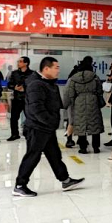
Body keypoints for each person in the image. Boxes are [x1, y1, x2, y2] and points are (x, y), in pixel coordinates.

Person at [13, 57, 84, 197]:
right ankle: (20, 185)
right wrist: (50, 121)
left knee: (54, 155)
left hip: (47, 128)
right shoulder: (36, 84)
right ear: (46, 69)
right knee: (33, 156)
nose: (58, 70)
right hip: (37, 127)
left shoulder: (49, 83)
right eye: (56, 67)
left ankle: (65, 180)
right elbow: (36, 109)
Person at [63, 56, 104, 155]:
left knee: (80, 124)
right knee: (94, 124)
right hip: (93, 101)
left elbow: (70, 93)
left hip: (79, 101)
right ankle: (96, 147)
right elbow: (100, 90)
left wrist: (71, 103)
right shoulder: (95, 77)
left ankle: (83, 148)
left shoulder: (73, 78)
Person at [7, 56, 33, 141]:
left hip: (28, 99)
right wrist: (14, 87)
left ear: (26, 63)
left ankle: (30, 134)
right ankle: (14, 134)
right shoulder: (14, 73)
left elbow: (35, 85)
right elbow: (9, 84)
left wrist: (25, 88)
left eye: (20, 61)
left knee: (30, 117)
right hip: (17, 99)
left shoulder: (32, 74)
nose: (18, 63)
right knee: (14, 118)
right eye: (18, 61)